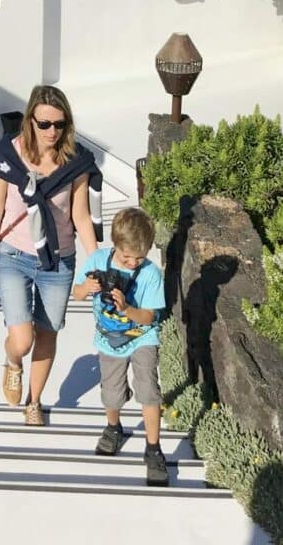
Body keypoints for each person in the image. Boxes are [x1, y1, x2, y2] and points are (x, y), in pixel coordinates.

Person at [0, 85, 100, 426]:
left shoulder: (76, 161)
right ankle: (13, 362)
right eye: (44, 124)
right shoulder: (9, 154)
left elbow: (79, 215)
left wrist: (95, 262)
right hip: (13, 255)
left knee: (47, 333)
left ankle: (35, 401)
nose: (52, 132)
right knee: (23, 338)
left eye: (59, 125)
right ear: (30, 120)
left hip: (58, 260)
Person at [72, 206, 168, 487]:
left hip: (142, 336)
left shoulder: (150, 274)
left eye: (140, 257)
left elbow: (150, 316)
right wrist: (86, 289)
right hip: (108, 341)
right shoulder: (99, 261)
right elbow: (77, 294)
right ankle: (114, 428)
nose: (133, 263)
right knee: (111, 396)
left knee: (149, 389)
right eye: (127, 257)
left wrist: (126, 308)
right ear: (115, 245)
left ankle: (153, 449)